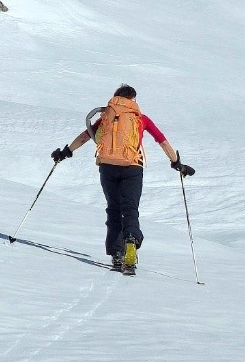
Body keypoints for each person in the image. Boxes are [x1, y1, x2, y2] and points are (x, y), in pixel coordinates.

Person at [50, 85, 194, 275]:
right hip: (132, 168)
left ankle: (116, 253)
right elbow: (161, 140)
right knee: (130, 208)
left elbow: (86, 136)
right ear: (133, 99)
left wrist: (66, 152)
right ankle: (131, 240)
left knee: (114, 208)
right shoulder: (140, 118)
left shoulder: (106, 116)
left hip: (107, 167)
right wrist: (177, 163)